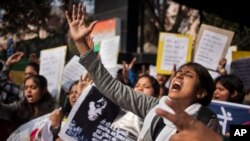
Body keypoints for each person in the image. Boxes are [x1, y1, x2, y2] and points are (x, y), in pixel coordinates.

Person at [65, 3, 220, 141]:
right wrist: (80, 42)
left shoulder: (207, 124)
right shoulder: (154, 107)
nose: (178, 75)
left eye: (188, 75)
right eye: (179, 72)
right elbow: (111, 86)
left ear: (200, 92)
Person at [155, 98, 223, 141]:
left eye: (188, 75)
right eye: (175, 75)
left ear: (201, 93)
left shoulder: (207, 118)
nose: (179, 76)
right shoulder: (156, 108)